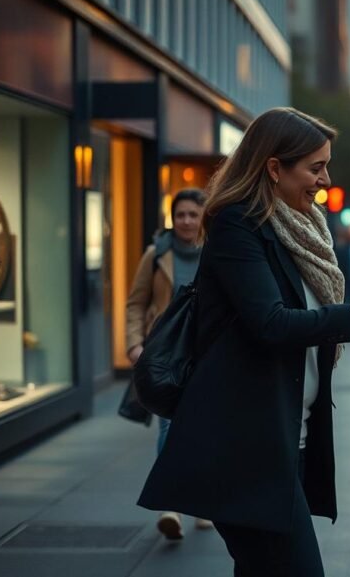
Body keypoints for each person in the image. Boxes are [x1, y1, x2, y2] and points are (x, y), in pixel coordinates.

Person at [137, 107, 350, 577]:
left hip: (286, 437)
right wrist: (348, 317)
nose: (325, 178)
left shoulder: (304, 229)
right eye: (315, 167)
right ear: (274, 168)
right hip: (245, 445)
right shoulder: (239, 225)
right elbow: (271, 323)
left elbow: (305, 307)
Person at [124, 188, 209, 540]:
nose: (186, 221)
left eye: (193, 214)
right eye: (180, 215)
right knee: (168, 426)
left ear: (204, 217)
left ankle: (204, 502)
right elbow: (135, 303)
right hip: (165, 353)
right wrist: (134, 345)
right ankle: (170, 504)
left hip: (207, 351)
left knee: (208, 427)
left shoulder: (218, 250)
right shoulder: (156, 254)